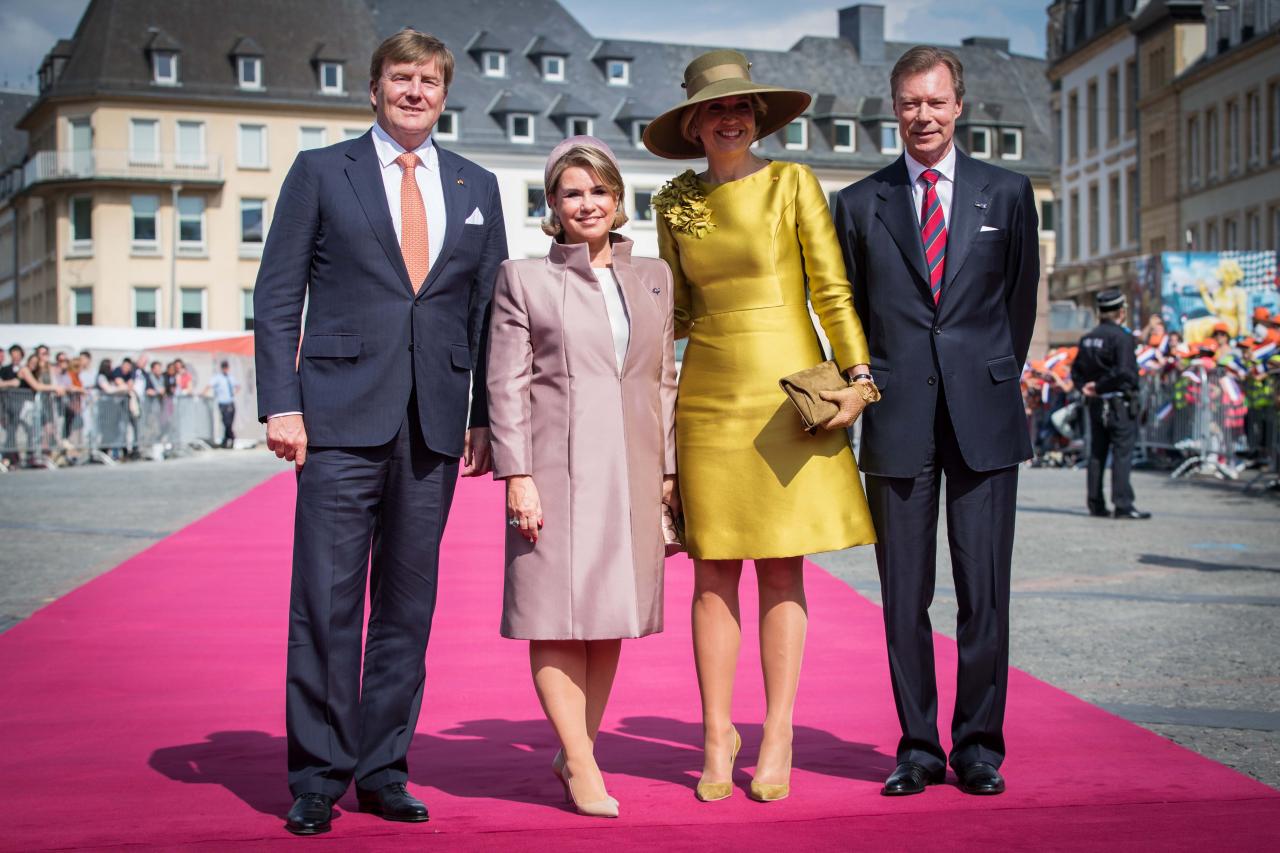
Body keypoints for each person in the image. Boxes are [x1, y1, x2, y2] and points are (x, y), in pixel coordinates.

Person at [253, 28, 507, 836]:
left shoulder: (477, 183)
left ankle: (384, 767)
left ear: (444, 93)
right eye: (402, 77)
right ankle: (320, 775)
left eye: (430, 81)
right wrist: (281, 403)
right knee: (325, 604)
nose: (416, 91)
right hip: (336, 416)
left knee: (407, 606)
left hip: (431, 423)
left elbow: (486, 314)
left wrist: (482, 420)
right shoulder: (322, 172)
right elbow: (276, 293)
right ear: (374, 88)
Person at [643, 49, 876, 803]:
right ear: (692, 122)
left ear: (758, 117)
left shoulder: (792, 182)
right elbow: (669, 312)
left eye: (741, 107)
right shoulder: (672, 200)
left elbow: (832, 287)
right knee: (712, 569)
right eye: (714, 108)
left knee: (781, 565)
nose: (730, 117)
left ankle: (778, 730)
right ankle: (717, 730)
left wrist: (860, 375)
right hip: (708, 394)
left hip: (788, 391)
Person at [832, 46, 1040, 797]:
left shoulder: (1008, 193)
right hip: (897, 417)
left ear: (959, 106)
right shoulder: (859, 203)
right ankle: (918, 746)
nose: (923, 115)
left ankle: (979, 745)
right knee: (903, 593)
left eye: (935, 101)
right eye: (909, 103)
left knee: (984, 589)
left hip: (982, 412)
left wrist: (983, 373)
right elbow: (847, 308)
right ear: (895, 108)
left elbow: (1018, 303)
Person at [486, 136, 677, 818]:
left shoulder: (654, 276)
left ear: (619, 199)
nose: (587, 203)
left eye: (598, 190)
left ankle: (577, 749)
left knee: (607, 617)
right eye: (572, 192)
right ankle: (584, 761)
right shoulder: (524, 278)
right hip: (557, 469)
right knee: (555, 615)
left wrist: (669, 471)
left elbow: (662, 380)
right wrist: (518, 474)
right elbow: (504, 385)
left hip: (633, 465)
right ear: (553, 206)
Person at [1072, 290, 1151, 520]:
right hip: (1118, 403)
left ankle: (1095, 504)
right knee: (1121, 454)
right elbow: (1125, 372)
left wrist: (1087, 387)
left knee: (1097, 454)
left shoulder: (1088, 338)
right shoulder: (1122, 337)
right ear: (1121, 312)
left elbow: (1076, 371)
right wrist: (1100, 386)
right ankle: (1123, 504)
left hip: (1096, 404)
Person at [206, 361, 239, 448]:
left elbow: (238, 386)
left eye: (226, 367)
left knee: (229, 423)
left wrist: (234, 393)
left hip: (230, 402)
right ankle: (231, 438)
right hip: (223, 403)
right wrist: (203, 393)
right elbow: (209, 385)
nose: (225, 369)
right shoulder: (218, 378)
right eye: (224, 367)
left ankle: (226, 441)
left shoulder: (231, 378)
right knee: (226, 423)